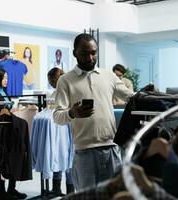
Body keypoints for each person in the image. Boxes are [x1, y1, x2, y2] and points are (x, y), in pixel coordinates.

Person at [53, 33, 134, 191]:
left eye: (93, 52)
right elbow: (57, 117)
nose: (90, 58)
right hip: (84, 152)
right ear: (75, 52)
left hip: (112, 148)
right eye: (84, 53)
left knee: (115, 195)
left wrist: (148, 95)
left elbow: (130, 97)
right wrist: (72, 113)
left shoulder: (109, 75)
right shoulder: (65, 80)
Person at [0, 68, 27, 199]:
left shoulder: (4, 92)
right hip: (0, 132)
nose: (6, 80)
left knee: (13, 158)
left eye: (7, 78)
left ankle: (11, 189)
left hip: (10, 130)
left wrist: (13, 109)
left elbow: (6, 110)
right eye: (4, 78)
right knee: (3, 161)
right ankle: (2, 190)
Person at [47, 67, 74, 196]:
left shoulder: (67, 91)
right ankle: (57, 188)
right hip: (58, 128)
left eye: (51, 80)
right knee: (58, 157)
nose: (50, 83)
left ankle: (70, 190)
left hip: (68, 129)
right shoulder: (55, 93)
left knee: (68, 159)